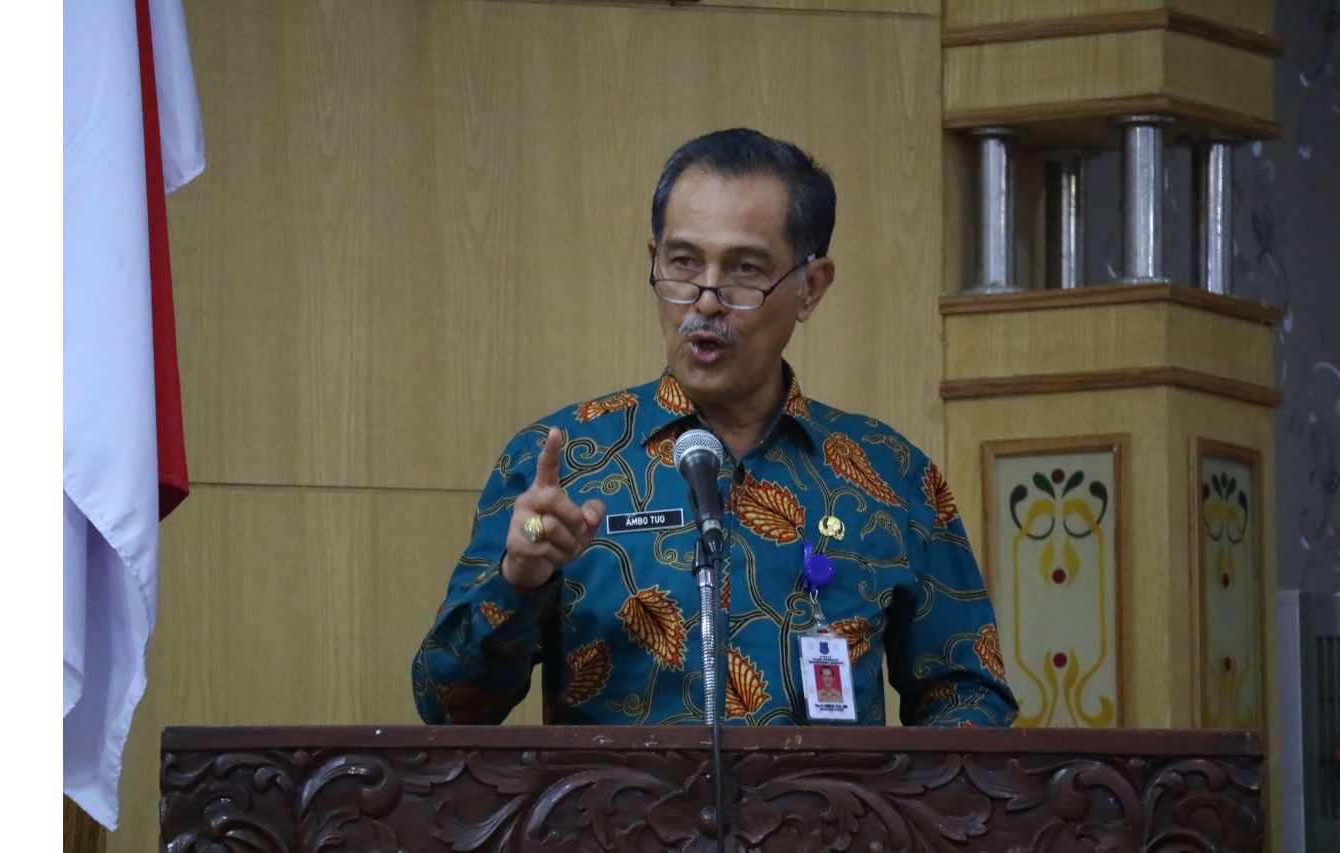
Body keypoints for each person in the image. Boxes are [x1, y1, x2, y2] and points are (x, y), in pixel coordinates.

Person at [413, 128, 1016, 727]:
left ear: (810, 287)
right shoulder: (561, 464)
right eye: (682, 262)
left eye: (744, 269)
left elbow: (968, 693)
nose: (705, 301)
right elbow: (446, 707)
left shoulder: (889, 475)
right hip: (614, 797)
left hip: (824, 797)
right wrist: (516, 580)